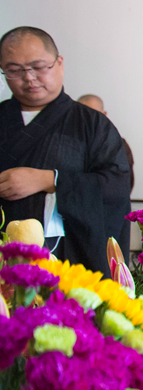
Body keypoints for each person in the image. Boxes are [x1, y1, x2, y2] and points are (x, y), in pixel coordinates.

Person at [0, 27, 131, 273]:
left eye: (38, 67)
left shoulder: (92, 124)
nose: (29, 78)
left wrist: (50, 180)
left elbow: (117, 186)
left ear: (59, 63)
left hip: (66, 259)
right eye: (15, 70)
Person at [78, 94, 135, 194]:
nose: (86, 120)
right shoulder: (67, 143)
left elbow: (124, 183)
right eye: (82, 114)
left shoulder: (118, 144)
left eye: (93, 114)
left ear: (104, 115)